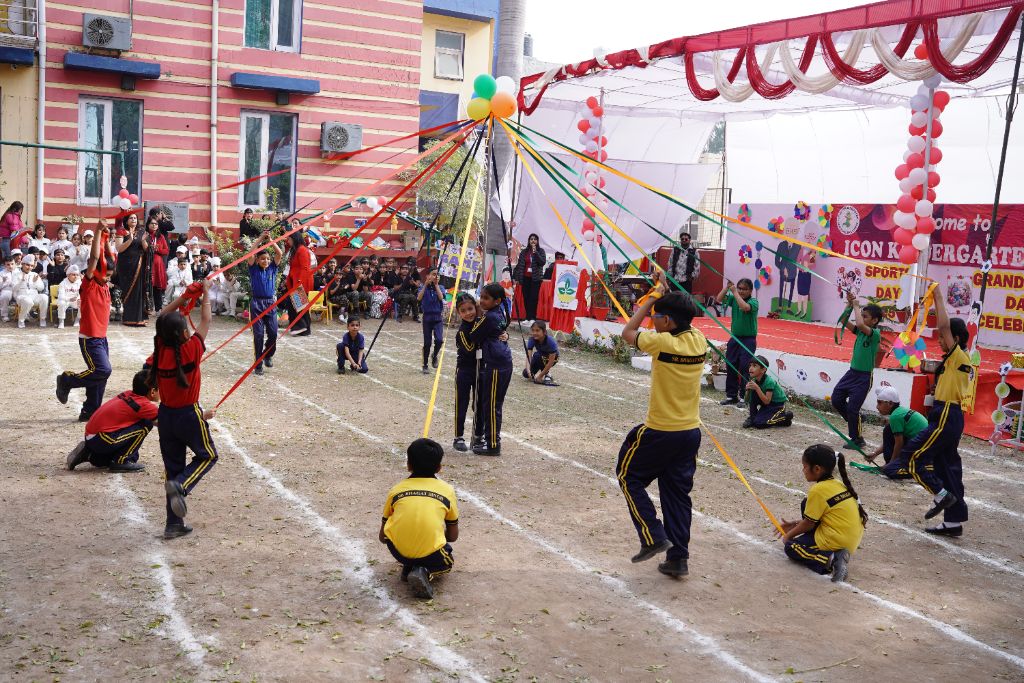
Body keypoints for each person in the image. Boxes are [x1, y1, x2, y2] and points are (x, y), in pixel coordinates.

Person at [616, 271, 707, 578]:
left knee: (628, 476)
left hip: (660, 430)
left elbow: (628, 331)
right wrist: (663, 292)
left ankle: (652, 535)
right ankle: (678, 558)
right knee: (677, 495)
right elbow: (675, 319)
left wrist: (653, 297)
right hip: (689, 433)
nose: (652, 320)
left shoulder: (663, 343)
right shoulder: (699, 341)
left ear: (668, 322)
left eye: (656, 317)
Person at [149, 280, 218, 540]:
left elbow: (162, 317)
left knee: (173, 467)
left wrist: (185, 296)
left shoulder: (159, 349)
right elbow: (207, 320)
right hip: (189, 415)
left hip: (165, 416)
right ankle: (182, 486)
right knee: (208, 456)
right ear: (183, 334)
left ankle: (173, 524)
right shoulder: (192, 349)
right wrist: (206, 293)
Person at [905, 286, 971, 536]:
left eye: (944, 337)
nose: (940, 340)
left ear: (955, 337)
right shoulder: (953, 360)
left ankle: (941, 495)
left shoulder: (958, 356)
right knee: (948, 467)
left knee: (913, 456)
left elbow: (944, 325)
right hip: (950, 416)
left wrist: (939, 298)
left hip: (946, 414)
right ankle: (953, 523)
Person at [379, 438, 459, 599]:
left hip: (398, 551)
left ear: (408, 465)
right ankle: (424, 571)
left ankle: (410, 565)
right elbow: (452, 536)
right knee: (447, 560)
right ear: (439, 468)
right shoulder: (447, 491)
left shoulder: (396, 490)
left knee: (409, 536)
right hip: (430, 554)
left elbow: (382, 537)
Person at [779, 444, 866, 583]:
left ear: (817, 469)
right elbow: (819, 516)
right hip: (850, 539)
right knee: (806, 503)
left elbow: (808, 524)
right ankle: (836, 553)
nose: (803, 470)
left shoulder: (818, 489)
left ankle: (831, 559)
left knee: (791, 547)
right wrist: (795, 524)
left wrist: (788, 536)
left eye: (805, 466)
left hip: (837, 541)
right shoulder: (838, 483)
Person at [56, 221, 113, 422]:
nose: (107, 279)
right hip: (89, 339)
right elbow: (95, 258)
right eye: (105, 276)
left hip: (102, 338)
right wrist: (98, 231)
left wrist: (106, 238)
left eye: (109, 276)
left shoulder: (105, 285)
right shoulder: (89, 284)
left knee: (100, 376)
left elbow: (108, 257)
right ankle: (67, 380)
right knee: (103, 370)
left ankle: (90, 411)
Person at [66, 370, 158, 473]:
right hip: (101, 439)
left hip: (93, 436)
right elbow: (164, 422)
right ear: (153, 392)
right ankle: (121, 461)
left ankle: (90, 455)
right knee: (146, 424)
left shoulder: (128, 394)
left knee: (105, 461)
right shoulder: (144, 405)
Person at [831, 294, 883, 449]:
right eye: (862, 315)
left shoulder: (875, 334)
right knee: (836, 399)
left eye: (865, 316)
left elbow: (860, 324)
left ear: (874, 321)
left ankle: (858, 438)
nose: (862, 318)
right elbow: (843, 320)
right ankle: (856, 420)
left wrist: (856, 306)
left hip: (864, 377)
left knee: (853, 408)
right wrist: (849, 305)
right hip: (852, 373)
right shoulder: (860, 331)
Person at [467, 283, 513, 456]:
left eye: (486, 298)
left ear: (497, 301)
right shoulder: (500, 311)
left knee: (492, 405)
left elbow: (473, 336)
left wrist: (478, 316)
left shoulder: (490, 317)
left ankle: (493, 444)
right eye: (481, 297)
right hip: (502, 360)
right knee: (494, 404)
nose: (482, 301)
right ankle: (490, 439)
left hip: (496, 364)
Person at [715, 278, 759, 407]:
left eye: (744, 289)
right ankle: (731, 396)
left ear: (750, 290)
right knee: (731, 365)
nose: (741, 291)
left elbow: (745, 307)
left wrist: (735, 292)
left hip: (748, 339)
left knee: (745, 367)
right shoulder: (734, 297)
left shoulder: (753, 302)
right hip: (735, 338)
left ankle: (743, 397)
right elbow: (718, 299)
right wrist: (726, 288)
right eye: (739, 288)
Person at [869, 386, 929, 478]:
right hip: (919, 441)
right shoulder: (899, 411)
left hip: (922, 446)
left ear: (890, 403)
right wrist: (875, 454)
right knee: (888, 430)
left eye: (879, 402)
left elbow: (898, 443)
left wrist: (891, 465)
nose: (877, 406)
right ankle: (895, 465)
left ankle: (916, 470)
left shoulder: (895, 417)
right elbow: (892, 441)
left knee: (890, 471)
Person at [248, 231, 283, 376]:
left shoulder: (273, 269)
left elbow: (279, 253)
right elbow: (251, 253)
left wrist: (271, 240)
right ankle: (258, 364)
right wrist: (261, 238)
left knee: (273, 333)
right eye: (263, 259)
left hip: (270, 304)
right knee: (258, 335)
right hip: (257, 304)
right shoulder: (254, 269)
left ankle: (268, 354)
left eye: (268, 259)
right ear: (257, 260)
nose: (266, 261)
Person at [452, 293, 480, 452]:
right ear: (458, 312)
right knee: (461, 403)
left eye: (471, 308)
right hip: (464, 370)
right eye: (464, 310)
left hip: (480, 370)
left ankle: (477, 434)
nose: (468, 313)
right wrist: (482, 334)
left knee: (478, 403)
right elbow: (470, 349)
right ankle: (458, 436)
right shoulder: (462, 332)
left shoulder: (481, 321)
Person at [114, 213, 150, 327]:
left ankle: (139, 318)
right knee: (128, 290)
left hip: (139, 264)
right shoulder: (121, 231)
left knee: (139, 290)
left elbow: (146, 249)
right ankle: (129, 318)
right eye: (131, 218)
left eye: (135, 218)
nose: (133, 219)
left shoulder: (141, 231)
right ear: (126, 220)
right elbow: (119, 249)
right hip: (125, 266)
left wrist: (144, 241)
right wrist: (129, 240)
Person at [743, 355, 793, 428]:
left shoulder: (769, 382)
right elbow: (747, 400)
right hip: (765, 403)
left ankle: (785, 416)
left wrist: (757, 388)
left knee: (759, 424)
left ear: (763, 370)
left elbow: (767, 401)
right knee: (755, 421)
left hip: (776, 404)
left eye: (754, 366)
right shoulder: (753, 380)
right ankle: (752, 417)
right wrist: (747, 390)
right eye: (750, 365)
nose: (750, 368)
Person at [418, 267, 446, 374]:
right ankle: (425, 364)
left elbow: (440, 297)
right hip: (427, 317)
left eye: (437, 275)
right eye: (433, 274)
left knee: (439, 340)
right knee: (427, 342)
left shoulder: (441, 287)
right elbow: (419, 298)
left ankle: (434, 355)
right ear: (428, 276)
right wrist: (425, 285)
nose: (435, 276)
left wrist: (436, 285)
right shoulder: (422, 286)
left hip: (437, 317)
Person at [285, 231, 313, 336]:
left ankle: (300, 325)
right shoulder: (296, 250)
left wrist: (299, 283)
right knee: (300, 306)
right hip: (295, 281)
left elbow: (304, 268)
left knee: (295, 304)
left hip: (301, 281)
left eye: (289, 239)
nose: (288, 241)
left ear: (294, 238)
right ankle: (305, 329)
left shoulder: (302, 250)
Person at [512, 233, 546, 320]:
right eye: (531, 239)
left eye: (535, 239)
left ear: (537, 241)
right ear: (529, 241)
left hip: (536, 279)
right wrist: (517, 277)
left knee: (533, 298)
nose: (533, 240)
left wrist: (536, 253)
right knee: (526, 298)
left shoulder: (541, 251)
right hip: (525, 278)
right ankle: (527, 318)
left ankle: (533, 318)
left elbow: (542, 262)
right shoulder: (524, 252)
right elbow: (520, 265)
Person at [12, 254, 48, 328]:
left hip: (34, 296)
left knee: (44, 297)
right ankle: (21, 320)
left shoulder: (34, 274)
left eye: (31, 266)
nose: (29, 267)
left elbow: (41, 288)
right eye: (27, 265)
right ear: (22, 264)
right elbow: (14, 289)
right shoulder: (16, 274)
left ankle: (42, 319)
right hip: (21, 297)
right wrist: (21, 281)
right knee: (28, 301)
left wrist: (35, 282)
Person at [523, 320, 558, 384]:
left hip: (551, 359)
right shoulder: (532, 339)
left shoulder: (551, 342)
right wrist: (528, 371)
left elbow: (551, 361)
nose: (534, 333)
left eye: (537, 330)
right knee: (525, 373)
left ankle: (547, 374)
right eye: (533, 330)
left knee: (537, 355)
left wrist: (540, 376)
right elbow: (528, 357)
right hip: (540, 357)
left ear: (544, 332)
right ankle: (538, 372)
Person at [147, 217, 170, 312]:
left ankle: (158, 309)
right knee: (147, 286)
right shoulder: (145, 235)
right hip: (147, 263)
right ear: (148, 225)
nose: (154, 225)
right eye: (152, 223)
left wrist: (158, 249)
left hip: (158, 265)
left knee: (157, 287)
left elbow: (166, 250)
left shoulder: (160, 236)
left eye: (156, 224)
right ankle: (147, 308)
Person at [56, 264, 82, 328]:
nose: (75, 276)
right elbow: (60, 296)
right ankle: (61, 321)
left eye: (77, 275)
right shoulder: (62, 283)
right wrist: (69, 299)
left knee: (83, 302)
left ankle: (77, 320)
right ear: (68, 275)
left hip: (75, 301)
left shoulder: (80, 283)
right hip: (65, 300)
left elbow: (82, 294)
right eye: (73, 275)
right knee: (61, 303)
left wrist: (78, 298)